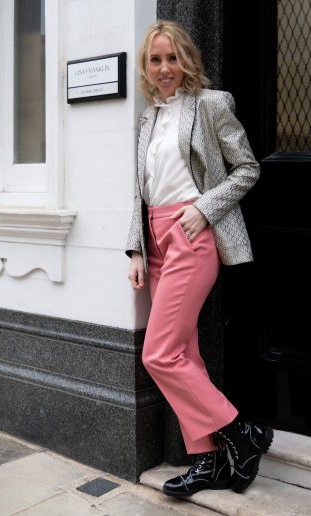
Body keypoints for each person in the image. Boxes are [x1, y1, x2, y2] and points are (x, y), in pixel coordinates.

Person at [126, 20, 273, 498]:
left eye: (172, 58)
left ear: (186, 59)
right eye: (155, 60)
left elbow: (247, 168)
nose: (165, 68)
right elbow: (141, 191)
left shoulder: (210, 105)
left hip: (192, 234)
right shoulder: (148, 118)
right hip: (156, 241)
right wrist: (135, 247)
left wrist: (202, 208)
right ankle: (207, 460)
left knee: (159, 353)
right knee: (184, 353)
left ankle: (238, 431)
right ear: (147, 68)